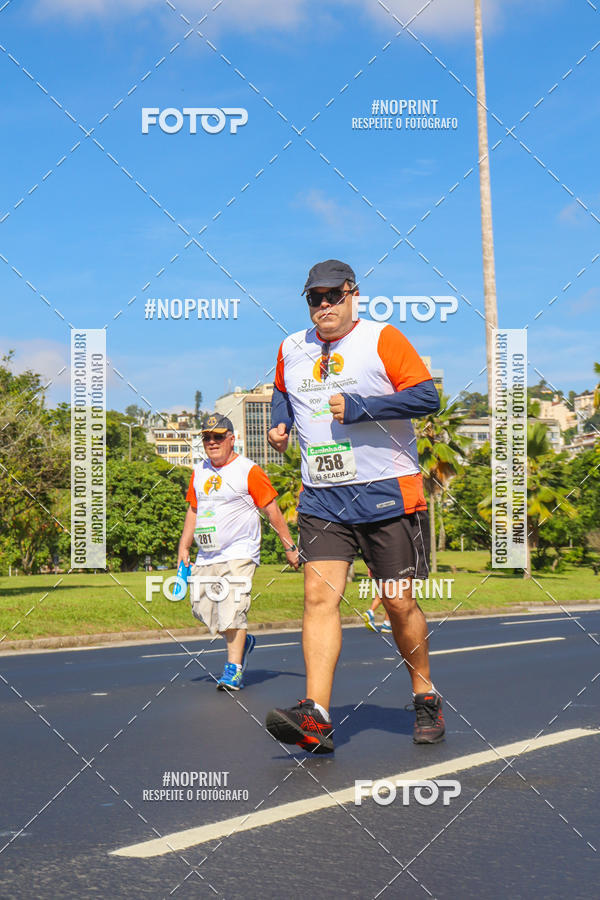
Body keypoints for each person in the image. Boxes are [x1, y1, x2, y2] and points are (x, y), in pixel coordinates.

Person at [265, 259, 443, 753]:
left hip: (387, 492)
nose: (322, 306)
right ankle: (316, 716)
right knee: (319, 600)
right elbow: (282, 391)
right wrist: (279, 425)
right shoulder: (291, 348)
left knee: (397, 603)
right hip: (322, 496)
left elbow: (428, 396)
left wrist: (365, 406)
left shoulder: (383, 338)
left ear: (352, 294)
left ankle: (425, 695)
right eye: (313, 298)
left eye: (331, 296)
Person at [177, 413, 299, 690]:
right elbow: (193, 510)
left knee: (232, 609)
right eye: (207, 438)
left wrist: (289, 546)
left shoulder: (248, 470)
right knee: (203, 608)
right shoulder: (200, 472)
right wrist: (184, 547)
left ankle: (233, 669)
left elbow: (271, 509)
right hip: (207, 553)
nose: (212, 442)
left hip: (240, 551)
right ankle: (244, 642)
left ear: (232, 439)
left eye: (218, 437)